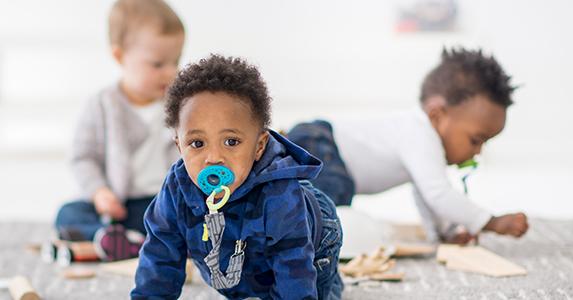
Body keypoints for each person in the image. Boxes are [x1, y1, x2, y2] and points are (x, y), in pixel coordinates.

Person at [132, 55, 343, 299]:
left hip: (311, 235)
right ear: (179, 146)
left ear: (259, 146)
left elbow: (292, 260)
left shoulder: (279, 193)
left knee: (309, 286)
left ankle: (334, 286)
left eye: (231, 142)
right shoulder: (177, 189)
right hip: (239, 251)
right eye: (197, 143)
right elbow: (160, 254)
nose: (213, 158)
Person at [288, 48, 529, 244]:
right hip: (320, 146)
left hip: (320, 143)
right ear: (437, 115)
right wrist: (492, 222)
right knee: (328, 210)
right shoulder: (420, 133)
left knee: (325, 206)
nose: (477, 151)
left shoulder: (422, 135)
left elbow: (427, 192)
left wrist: (444, 234)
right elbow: (438, 195)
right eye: (476, 140)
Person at [54, 0, 185, 261]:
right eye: (158, 64)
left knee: (192, 219)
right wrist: (100, 192)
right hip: (118, 208)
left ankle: (142, 242)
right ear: (120, 56)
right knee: (67, 214)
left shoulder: (182, 105)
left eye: (176, 61)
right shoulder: (102, 105)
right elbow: (83, 157)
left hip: (161, 203)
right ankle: (109, 238)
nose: (170, 72)